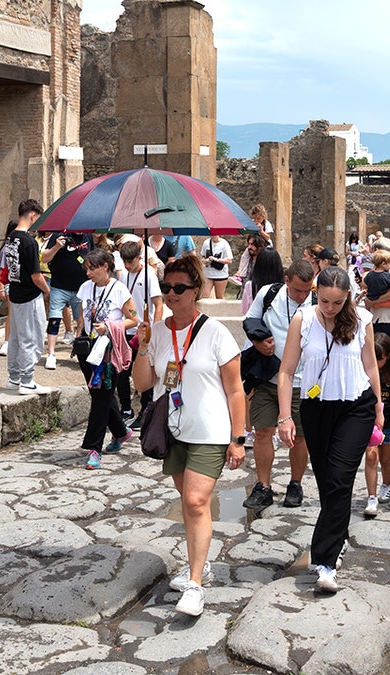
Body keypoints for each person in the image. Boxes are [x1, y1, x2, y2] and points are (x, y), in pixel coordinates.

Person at [132, 253, 245, 616]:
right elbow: (144, 384)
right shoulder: (160, 331)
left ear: (196, 290)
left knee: (196, 501)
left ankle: (195, 584)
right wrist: (144, 346)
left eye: (179, 288)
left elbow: (235, 391)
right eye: (166, 287)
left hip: (210, 430)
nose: (171, 294)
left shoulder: (215, 333)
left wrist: (238, 437)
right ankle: (202, 563)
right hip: (174, 431)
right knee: (189, 503)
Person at [277, 266, 382, 593]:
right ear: (316, 294)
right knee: (328, 484)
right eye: (324, 300)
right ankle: (337, 536)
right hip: (316, 407)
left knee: (339, 479)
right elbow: (286, 371)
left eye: (337, 302)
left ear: (348, 297)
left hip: (356, 406)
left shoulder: (362, 319)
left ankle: (324, 560)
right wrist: (284, 417)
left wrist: (379, 405)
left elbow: (369, 364)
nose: (330, 308)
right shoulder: (303, 320)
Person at [242, 259, 315, 510]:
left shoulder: (316, 303)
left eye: (308, 290)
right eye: (297, 290)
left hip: (303, 383)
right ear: (287, 280)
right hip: (268, 377)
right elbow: (250, 321)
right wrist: (258, 343)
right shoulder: (269, 294)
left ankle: (295, 483)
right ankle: (263, 486)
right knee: (262, 431)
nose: (303, 295)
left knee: (300, 436)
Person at [77, 247, 138, 469]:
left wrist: (110, 327)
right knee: (99, 392)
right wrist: (78, 335)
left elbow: (133, 319)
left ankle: (94, 448)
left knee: (101, 397)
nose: (88, 273)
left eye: (92, 268)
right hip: (88, 348)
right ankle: (121, 432)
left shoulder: (120, 290)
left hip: (107, 348)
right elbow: (81, 315)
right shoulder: (85, 288)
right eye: (87, 268)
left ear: (106, 266)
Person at [2, 201, 54, 396]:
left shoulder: (11, 238)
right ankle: (27, 380)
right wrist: (47, 289)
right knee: (32, 337)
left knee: (16, 337)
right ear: (33, 215)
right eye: (38, 218)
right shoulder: (29, 242)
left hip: (15, 293)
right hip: (29, 295)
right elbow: (35, 274)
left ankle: (14, 377)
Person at [116, 240, 164, 426]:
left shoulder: (149, 276)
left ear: (139, 258)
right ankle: (126, 408)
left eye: (131, 261)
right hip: (127, 329)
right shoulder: (124, 276)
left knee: (145, 370)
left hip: (144, 331)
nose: (128, 265)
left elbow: (158, 304)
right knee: (122, 371)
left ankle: (146, 410)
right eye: (125, 262)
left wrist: (156, 329)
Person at [363, 332, 390, 517]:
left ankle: (386, 485)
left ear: (388, 356)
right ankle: (371, 497)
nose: (376, 361)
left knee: (385, 459)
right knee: (371, 457)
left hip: (387, 425)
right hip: (368, 423)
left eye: (379, 358)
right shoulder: (364, 371)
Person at [42, 229, 91, 369]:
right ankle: (51, 354)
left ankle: (80, 351)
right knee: (54, 319)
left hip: (81, 288)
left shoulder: (87, 236)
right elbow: (44, 258)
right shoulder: (58, 236)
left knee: (81, 321)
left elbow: (93, 257)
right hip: (59, 286)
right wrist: (56, 247)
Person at [362, 244, 390, 349]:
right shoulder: (379, 271)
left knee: (389, 352)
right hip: (377, 318)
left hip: (389, 318)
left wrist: (373, 301)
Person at [0, 220, 19, 357]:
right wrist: (1, 288)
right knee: (12, 313)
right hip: (10, 283)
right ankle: (7, 341)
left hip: (21, 283)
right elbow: (1, 270)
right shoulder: (6, 249)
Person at [200, 234, 233, 299]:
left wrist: (216, 259)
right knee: (204, 296)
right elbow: (203, 256)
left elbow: (229, 260)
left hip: (220, 274)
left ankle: (220, 309)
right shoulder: (206, 242)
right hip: (208, 274)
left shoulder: (224, 244)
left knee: (219, 296)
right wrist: (204, 260)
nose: (213, 235)